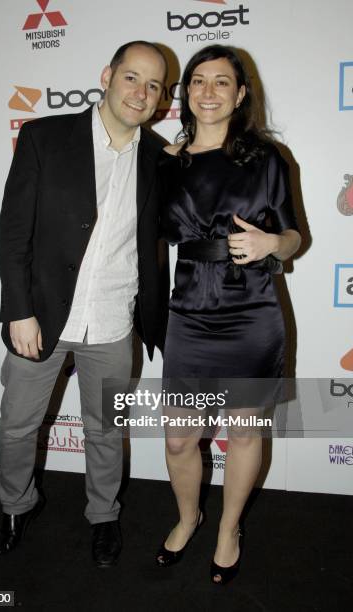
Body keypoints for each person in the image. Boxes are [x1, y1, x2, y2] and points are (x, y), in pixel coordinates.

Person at [0, 40, 168, 568]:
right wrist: (18, 309)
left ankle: (104, 516)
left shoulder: (159, 159)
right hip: (40, 317)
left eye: (154, 85)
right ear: (108, 75)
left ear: (161, 99)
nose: (141, 92)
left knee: (106, 429)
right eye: (132, 77)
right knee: (17, 424)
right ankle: (15, 508)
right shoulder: (45, 136)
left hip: (113, 321)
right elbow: (13, 232)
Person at [156, 44, 301, 584]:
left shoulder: (266, 159)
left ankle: (228, 528)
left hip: (251, 311)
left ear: (240, 94)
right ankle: (189, 516)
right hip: (188, 310)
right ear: (185, 93)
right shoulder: (165, 163)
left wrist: (271, 244)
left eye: (222, 82)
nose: (208, 91)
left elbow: (294, 237)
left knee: (243, 435)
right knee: (177, 437)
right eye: (198, 81)